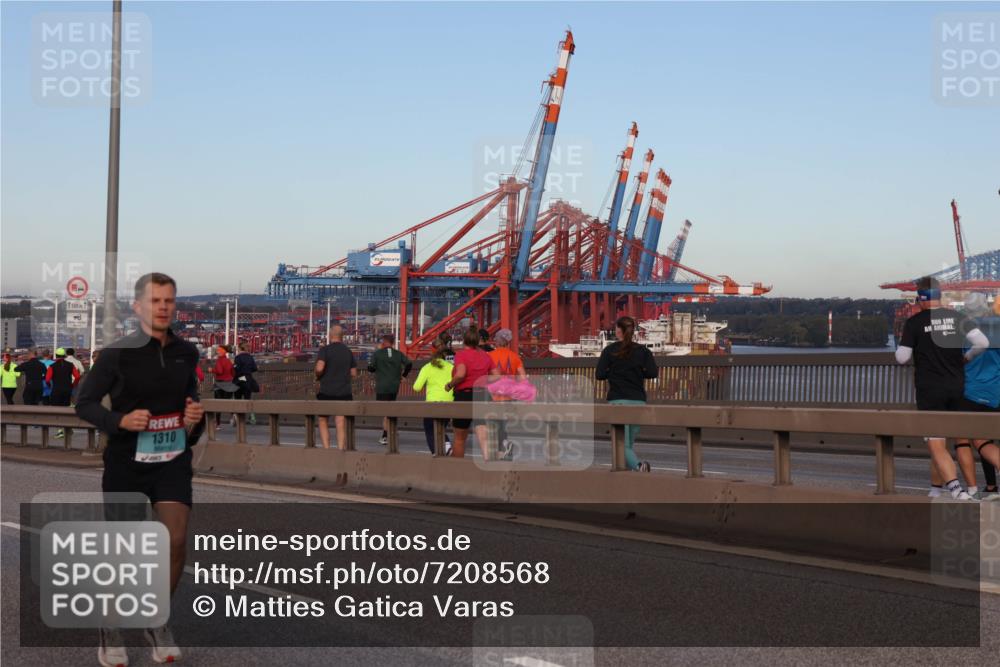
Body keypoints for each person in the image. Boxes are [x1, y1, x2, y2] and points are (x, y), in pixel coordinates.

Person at [76, 272, 205, 666]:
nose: (163, 307)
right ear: (138, 308)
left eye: (169, 300)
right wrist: (119, 422)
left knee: (176, 541)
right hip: (126, 463)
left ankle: (156, 620)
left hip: (172, 460)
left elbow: (190, 402)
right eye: (155, 301)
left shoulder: (187, 352)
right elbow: (84, 403)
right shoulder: (117, 354)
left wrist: (194, 418)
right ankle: (111, 629)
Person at [895, 277, 990, 500]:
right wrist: (966, 357)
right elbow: (983, 343)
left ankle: (956, 489)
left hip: (930, 389)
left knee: (936, 443)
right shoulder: (957, 317)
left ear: (920, 297)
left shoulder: (915, 322)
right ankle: (937, 489)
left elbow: (902, 358)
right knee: (954, 440)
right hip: (956, 386)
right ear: (940, 295)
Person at [596, 316, 658, 472]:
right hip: (638, 401)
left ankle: (639, 467)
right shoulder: (643, 351)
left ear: (618, 331)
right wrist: (637, 373)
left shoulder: (609, 351)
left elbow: (600, 374)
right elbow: (652, 372)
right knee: (628, 444)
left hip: (618, 401)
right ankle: (628, 475)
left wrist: (614, 373)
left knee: (621, 443)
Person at [444, 327, 494, 459]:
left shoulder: (461, 355)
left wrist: (449, 385)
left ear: (464, 341)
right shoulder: (486, 356)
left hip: (464, 395)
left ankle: (458, 470)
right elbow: (497, 375)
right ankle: (489, 463)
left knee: (460, 438)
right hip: (483, 395)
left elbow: (461, 374)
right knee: (483, 434)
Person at [487, 328, 528, 460]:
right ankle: (504, 445)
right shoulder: (515, 357)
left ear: (497, 342)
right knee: (503, 423)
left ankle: (500, 449)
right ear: (508, 342)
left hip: (492, 396)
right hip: (508, 396)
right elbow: (522, 378)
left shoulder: (489, 356)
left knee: (493, 424)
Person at [315, 324, 357, 449]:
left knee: (323, 420)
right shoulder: (348, 351)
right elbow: (354, 373)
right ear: (342, 337)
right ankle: (340, 450)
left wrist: (318, 375)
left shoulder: (325, 350)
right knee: (340, 421)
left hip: (326, 391)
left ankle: (327, 449)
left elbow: (319, 367)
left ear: (330, 335)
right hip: (344, 392)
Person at [367, 334, 412, 445]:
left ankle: (386, 435)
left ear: (383, 342)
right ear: (392, 342)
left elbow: (371, 368)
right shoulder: (398, 354)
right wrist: (404, 375)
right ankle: (393, 431)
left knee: (385, 412)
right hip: (394, 386)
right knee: (391, 409)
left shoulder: (378, 354)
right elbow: (409, 364)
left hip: (382, 386)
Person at [412, 336, 454, 454]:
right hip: (449, 403)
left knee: (430, 428)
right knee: (441, 427)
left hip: (432, 403)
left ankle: (436, 452)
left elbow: (416, 387)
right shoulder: (451, 367)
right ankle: (446, 446)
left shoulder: (427, 367)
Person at [46, 348, 81, 438]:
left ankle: (60, 431)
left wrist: (49, 385)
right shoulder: (70, 365)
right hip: (67, 390)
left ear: (56, 356)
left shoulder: (52, 366)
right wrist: (73, 385)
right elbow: (77, 377)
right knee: (66, 410)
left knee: (57, 411)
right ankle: (68, 428)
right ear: (64, 356)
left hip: (56, 391)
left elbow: (47, 379)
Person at [209, 345, 236, 428]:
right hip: (229, 383)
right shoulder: (229, 361)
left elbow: (219, 371)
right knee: (228, 402)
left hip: (220, 384)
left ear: (221, 351)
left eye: (218, 350)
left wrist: (212, 370)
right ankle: (233, 416)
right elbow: (233, 373)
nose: (217, 352)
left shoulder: (219, 361)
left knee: (218, 404)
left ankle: (217, 424)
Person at [233, 344, 259, 425]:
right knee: (248, 399)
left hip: (240, 379)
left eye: (238, 349)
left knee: (237, 399)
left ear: (240, 349)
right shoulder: (250, 357)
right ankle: (252, 416)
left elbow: (236, 369)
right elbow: (255, 368)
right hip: (248, 379)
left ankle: (237, 417)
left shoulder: (238, 358)